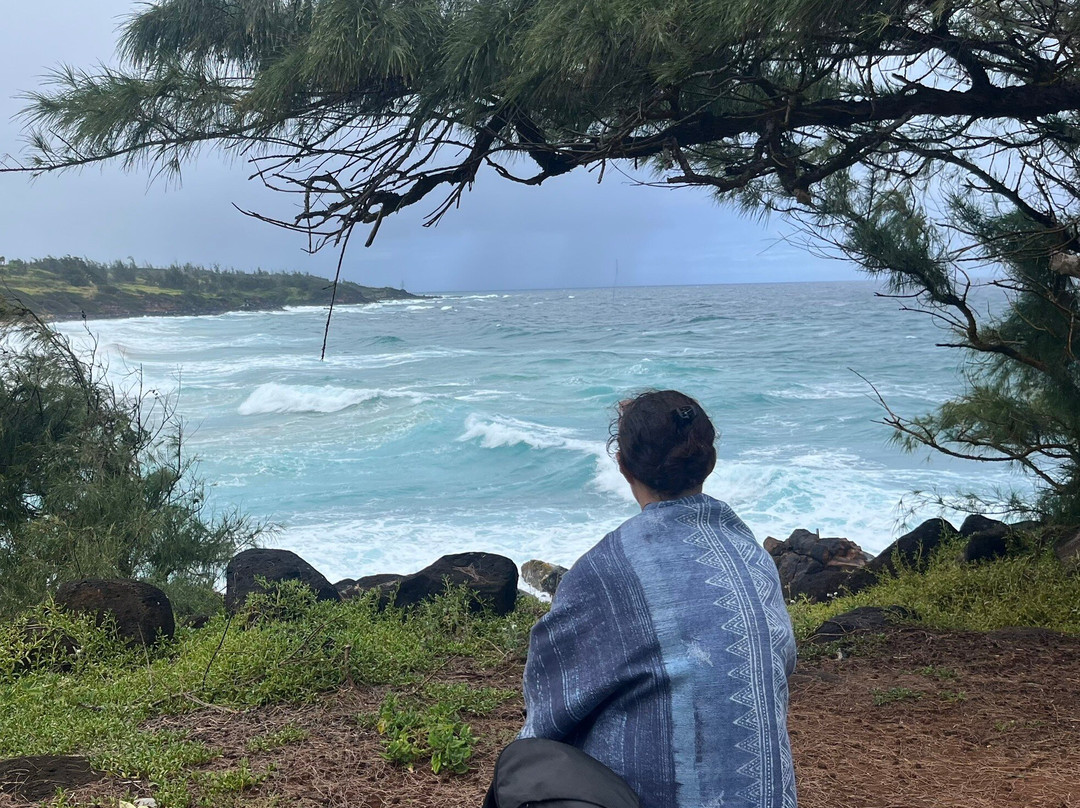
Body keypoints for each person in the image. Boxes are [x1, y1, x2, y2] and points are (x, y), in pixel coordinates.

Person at [517, 390, 797, 808]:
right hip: (768, 798)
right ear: (709, 460)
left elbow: (549, 703)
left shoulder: (608, 568)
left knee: (526, 768)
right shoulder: (752, 555)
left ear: (623, 465)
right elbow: (782, 664)